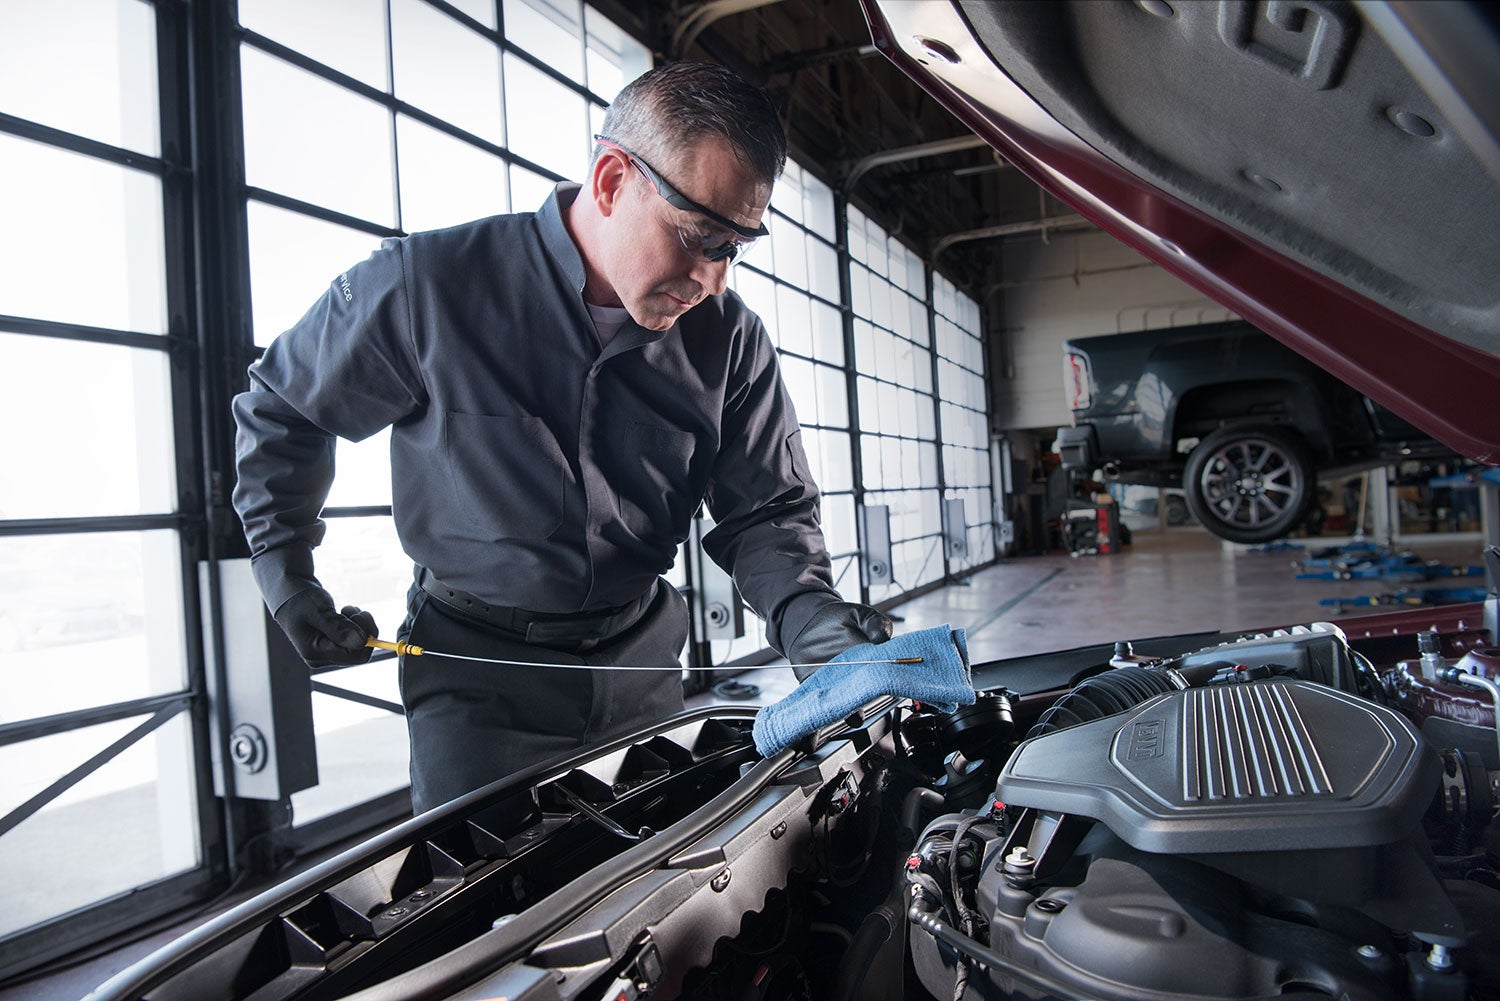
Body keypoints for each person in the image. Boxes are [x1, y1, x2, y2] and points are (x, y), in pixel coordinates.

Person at [231, 61, 907, 817]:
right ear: (613, 178)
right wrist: (286, 575)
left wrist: (807, 614)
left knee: (654, 899)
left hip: (641, 667)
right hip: (477, 683)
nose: (712, 279)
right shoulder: (427, 290)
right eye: (696, 236)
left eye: (735, 247)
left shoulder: (729, 341)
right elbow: (286, 409)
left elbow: (766, 511)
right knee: (486, 914)